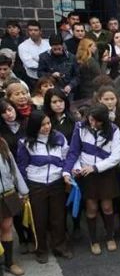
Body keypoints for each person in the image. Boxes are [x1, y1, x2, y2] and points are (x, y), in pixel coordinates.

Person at [63, 105, 120, 255]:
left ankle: (110, 237)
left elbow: (115, 157)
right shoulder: (80, 128)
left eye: (97, 121)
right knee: (91, 207)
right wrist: (72, 169)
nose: (93, 124)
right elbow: (74, 152)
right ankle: (93, 240)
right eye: (91, 120)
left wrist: (95, 167)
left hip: (105, 172)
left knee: (107, 207)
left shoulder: (114, 130)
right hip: (86, 174)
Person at [16, 110, 71, 263]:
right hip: (36, 185)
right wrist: (24, 189)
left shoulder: (59, 137)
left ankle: (60, 247)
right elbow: (22, 167)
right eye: (42, 125)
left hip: (57, 183)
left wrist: (66, 174)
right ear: (34, 127)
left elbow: (67, 157)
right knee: (39, 219)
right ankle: (40, 250)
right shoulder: (25, 142)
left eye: (48, 123)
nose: (47, 127)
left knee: (58, 218)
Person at [0, 130, 27, 275]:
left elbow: (14, 170)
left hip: (8, 193)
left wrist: (23, 191)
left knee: (7, 226)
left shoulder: (2, 144)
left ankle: (9, 262)